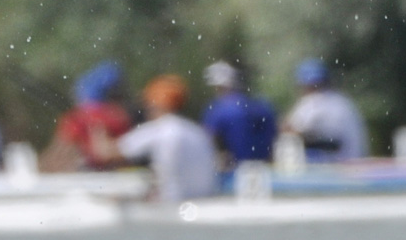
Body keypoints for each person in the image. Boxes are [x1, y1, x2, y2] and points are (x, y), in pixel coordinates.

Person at [115, 75, 219, 203]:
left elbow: (108, 153)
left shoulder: (160, 129)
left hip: (173, 209)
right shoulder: (199, 132)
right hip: (205, 207)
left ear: (155, 105)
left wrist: (96, 129)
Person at [40, 61, 134, 172]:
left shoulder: (81, 117)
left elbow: (58, 153)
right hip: (116, 174)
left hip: (101, 176)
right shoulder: (124, 116)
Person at [283, 58, 368, 161]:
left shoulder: (315, 101)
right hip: (355, 164)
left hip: (337, 167)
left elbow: (290, 129)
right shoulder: (344, 102)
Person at [202, 61, 278, 166]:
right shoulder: (262, 105)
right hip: (264, 169)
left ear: (217, 86)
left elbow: (208, 140)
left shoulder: (218, 109)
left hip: (235, 172)